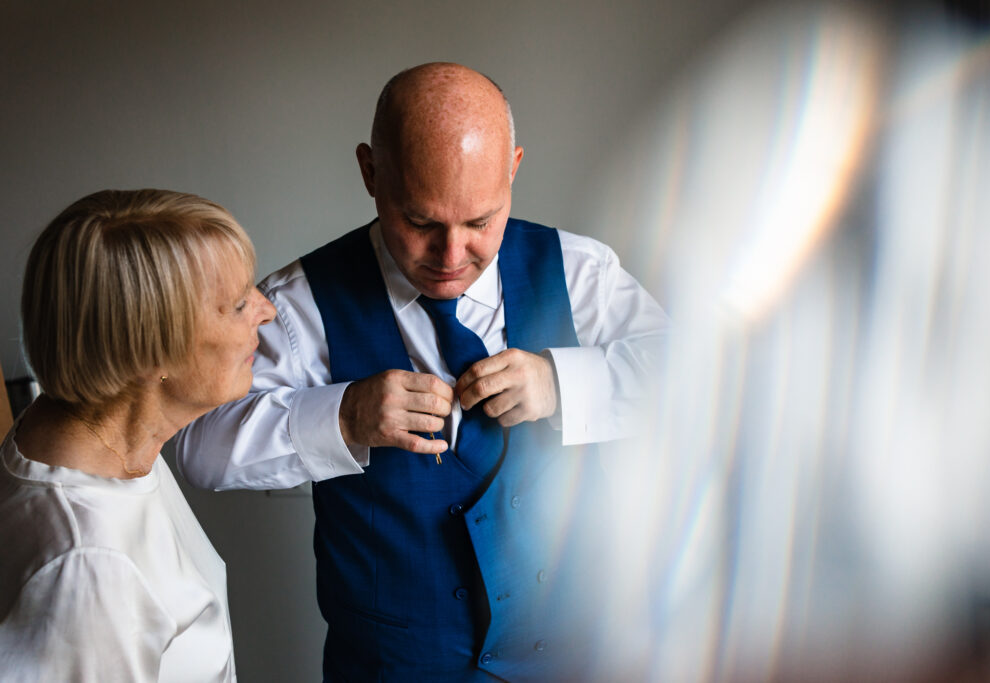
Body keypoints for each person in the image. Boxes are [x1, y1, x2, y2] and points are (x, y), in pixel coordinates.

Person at [178, 62, 669, 681]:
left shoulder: (580, 272)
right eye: (421, 223)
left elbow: (696, 382)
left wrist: (562, 383)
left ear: (513, 168)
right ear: (370, 173)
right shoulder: (300, 304)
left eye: (481, 221)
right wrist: (343, 416)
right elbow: (201, 443)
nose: (452, 255)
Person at [0, 189, 276, 681]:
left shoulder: (105, 434)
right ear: (151, 352)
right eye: (237, 305)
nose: (266, 309)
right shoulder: (89, 567)